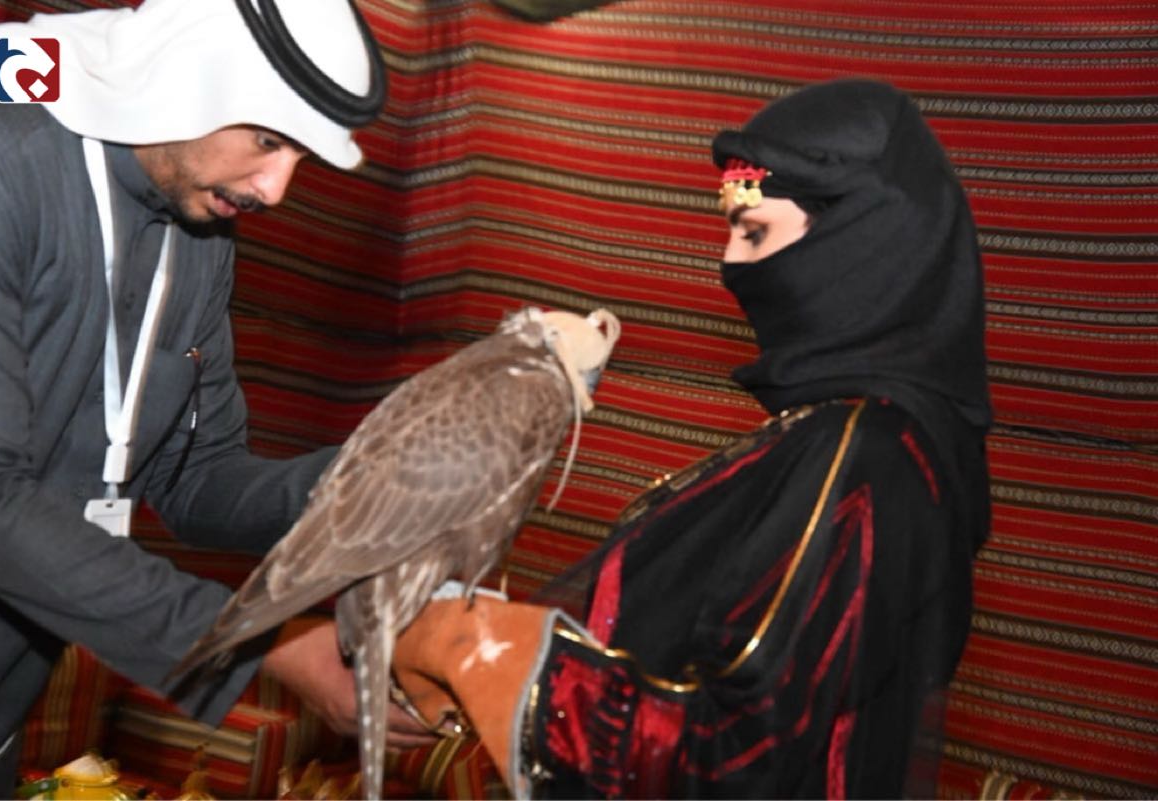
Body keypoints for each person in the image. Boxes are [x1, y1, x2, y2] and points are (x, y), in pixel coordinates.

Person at [391, 77, 992, 798]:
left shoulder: (867, 459)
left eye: (754, 231)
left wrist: (475, 647)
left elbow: (733, 762)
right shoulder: (843, 437)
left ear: (857, 244)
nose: (731, 264)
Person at [0, 1, 434, 796]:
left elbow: (195, 473)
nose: (276, 189)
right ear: (185, 76)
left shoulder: (201, 221)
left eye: (300, 155)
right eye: (268, 139)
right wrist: (261, 642)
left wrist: (382, 483)